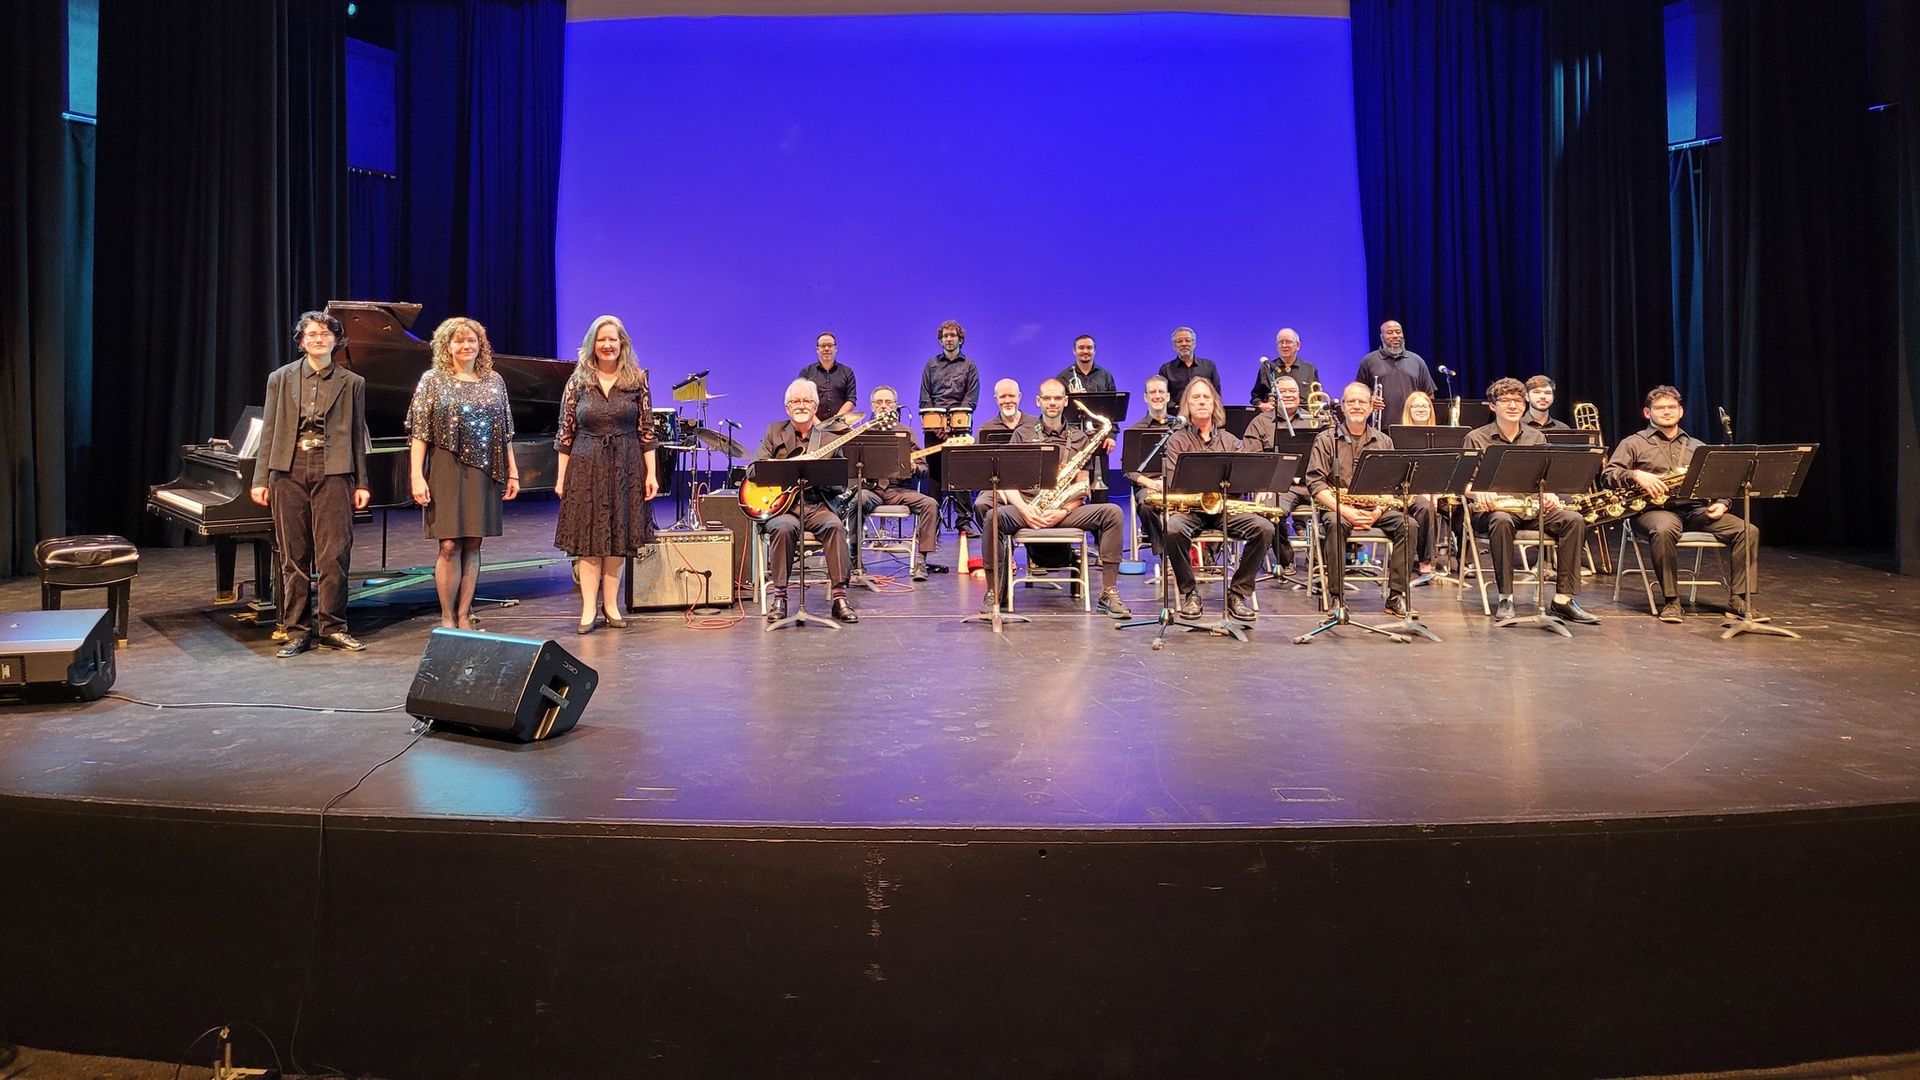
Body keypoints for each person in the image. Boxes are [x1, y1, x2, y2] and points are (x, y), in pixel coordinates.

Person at [250, 310, 372, 657]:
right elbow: (270, 429)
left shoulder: (352, 382)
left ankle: (333, 627)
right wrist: (262, 478)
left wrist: (361, 482)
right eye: (312, 334)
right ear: (301, 341)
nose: (319, 339)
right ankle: (297, 631)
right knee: (293, 556)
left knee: (334, 554)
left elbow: (357, 437)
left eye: (326, 334)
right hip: (288, 470)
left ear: (336, 340)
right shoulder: (281, 378)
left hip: (334, 469)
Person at [973, 378, 1132, 618]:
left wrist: (1064, 510)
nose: (1052, 403)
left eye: (1058, 398)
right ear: (1038, 401)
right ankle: (994, 593)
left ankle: (1108, 592)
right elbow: (1007, 481)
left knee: (1113, 513)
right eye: (1047, 398)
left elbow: (1082, 485)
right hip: (1029, 508)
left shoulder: (1079, 437)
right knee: (993, 516)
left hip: (1064, 510)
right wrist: (1024, 509)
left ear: (1066, 401)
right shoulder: (1022, 433)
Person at [1603, 385, 1761, 623]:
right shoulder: (1633, 443)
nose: (1667, 412)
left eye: (1672, 407)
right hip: (1652, 510)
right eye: (1660, 408)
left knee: (1747, 530)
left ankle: (1739, 599)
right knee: (1664, 529)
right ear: (1647, 413)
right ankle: (1671, 600)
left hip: (1694, 510)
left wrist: (1722, 503)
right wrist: (1636, 475)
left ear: (1681, 411)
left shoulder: (1697, 446)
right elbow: (1609, 475)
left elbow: (1720, 481)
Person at [407, 317, 520, 631]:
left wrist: (513, 472)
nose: (466, 345)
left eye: (471, 340)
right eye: (458, 341)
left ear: (480, 344)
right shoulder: (433, 379)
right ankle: (446, 616)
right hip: (445, 466)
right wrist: (417, 474)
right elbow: (419, 432)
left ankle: (463, 614)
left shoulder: (494, 380)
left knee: (473, 543)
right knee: (448, 545)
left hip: (485, 468)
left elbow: (505, 430)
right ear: (447, 345)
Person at [553, 315, 660, 635]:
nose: (608, 345)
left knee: (617, 538)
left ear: (622, 343)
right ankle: (588, 608)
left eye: (613, 339)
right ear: (593, 344)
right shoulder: (578, 381)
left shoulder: (637, 380)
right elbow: (565, 433)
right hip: (586, 463)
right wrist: (561, 478)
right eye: (602, 339)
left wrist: (650, 474)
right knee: (588, 540)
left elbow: (647, 431)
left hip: (626, 463)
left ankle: (611, 606)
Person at [1461, 378, 1598, 624]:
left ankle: (1563, 599)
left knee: (1574, 519)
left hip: (1530, 508)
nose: (1513, 405)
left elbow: (1546, 479)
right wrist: (1477, 492)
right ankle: (1506, 597)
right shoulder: (1476, 438)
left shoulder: (1536, 438)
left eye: (1518, 400)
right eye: (1506, 401)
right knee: (1501, 521)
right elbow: (1463, 483)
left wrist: (1550, 494)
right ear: (1493, 406)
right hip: (1494, 511)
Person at [1158, 378, 1276, 621]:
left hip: (1225, 509)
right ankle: (1190, 593)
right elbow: (1173, 482)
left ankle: (1238, 593)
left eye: (1206, 397)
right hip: (1190, 511)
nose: (1201, 401)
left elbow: (1244, 480)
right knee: (1172, 529)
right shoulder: (1177, 440)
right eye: (1195, 398)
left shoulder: (1231, 441)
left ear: (1215, 404)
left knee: (1264, 528)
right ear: (1187, 405)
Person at [1304, 382, 1417, 618]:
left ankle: (1396, 596)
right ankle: (1337, 597)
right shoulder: (1326, 440)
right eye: (1351, 401)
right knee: (1335, 525)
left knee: (1409, 524)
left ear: (1371, 408)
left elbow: (1392, 486)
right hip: (1339, 507)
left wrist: (1377, 512)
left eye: (1362, 402)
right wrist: (1345, 511)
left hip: (1375, 507)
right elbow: (1316, 484)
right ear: (1342, 407)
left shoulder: (1383, 441)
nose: (1357, 406)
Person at [755, 379, 858, 624]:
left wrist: (821, 475)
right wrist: (781, 469)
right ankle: (779, 597)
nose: (801, 405)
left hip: (817, 504)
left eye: (806, 401)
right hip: (783, 507)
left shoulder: (829, 438)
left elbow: (840, 483)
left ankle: (839, 598)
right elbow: (753, 470)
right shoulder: (773, 431)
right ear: (787, 408)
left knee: (835, 527)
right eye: (795, 401)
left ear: (815, 406)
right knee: (783, 528)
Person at [846, 385, 942, 582]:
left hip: (897, 490)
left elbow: (924, 469)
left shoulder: (905, 432)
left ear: (895, 406)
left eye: (888, 402)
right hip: (870, 489)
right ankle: (854, 559)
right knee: (857, 501)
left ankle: (921, 560)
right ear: (872, 406)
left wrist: (914, 467)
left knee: (930, 504)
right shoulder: (861, 432)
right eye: (879, 402)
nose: (883, 406)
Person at [1240, 380, 1313, 580]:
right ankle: (1285, 559)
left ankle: (1321, 560)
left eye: (1293, 391)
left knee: (1339, 508)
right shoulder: (1260, 422)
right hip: (1280, 487)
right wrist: (1265, 485)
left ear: (1300, 395)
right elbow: (1251, 460)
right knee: (1269, 507)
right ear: (1273, 397)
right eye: (1283, 391)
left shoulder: (1313, 420)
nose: (1288, 395)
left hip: (1313, 484)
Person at [918, 319, 981, 534]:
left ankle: (964, 522)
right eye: (945, 336)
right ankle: (932, 523)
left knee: (961, 474)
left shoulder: (970, 366)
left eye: (953, 335)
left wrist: (952, 425)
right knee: (934, 475)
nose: (949, 339)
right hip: (934, 429)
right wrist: (937, 424)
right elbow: (925, 397)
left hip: (960, 428)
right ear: (940, 340)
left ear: (960, 339)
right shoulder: (930, 365)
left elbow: (970, 399)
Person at [1056, 334, 1117, 502]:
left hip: (1099, 438)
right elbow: (1056, 408)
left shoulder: (1105, 376)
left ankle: (1100, 525)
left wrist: (1112, 436)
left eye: (1089, 348)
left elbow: (1114, 409)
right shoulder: (1063, 377)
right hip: (1072, 440)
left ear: (1095, 351)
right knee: (1071, 490)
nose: (1085, 351)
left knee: (1100, 489)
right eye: (1081, 348)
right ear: (1074, 351)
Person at [1123, 375, 1178, 556]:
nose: (1157, 396)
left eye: (1161, 391)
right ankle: (1166, 554)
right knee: (1146, 505)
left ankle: (1203, 553)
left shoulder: (1181, 428)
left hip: (1176, 484)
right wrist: (1151, 484)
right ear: (1145, 397)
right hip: (1149, 484)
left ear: (1168, 396)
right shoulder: (1135, 430)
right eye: (1152, 392)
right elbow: (1129, 469)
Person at [1392, 390, 1443, 579]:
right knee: (1424, 506)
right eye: (1416, 406)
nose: (1421, 409)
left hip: (1436, 490)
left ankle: (1466, 561)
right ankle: (1425, 560)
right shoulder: (1396, 437)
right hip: (1406, 490)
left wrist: (1437, 493)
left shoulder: (1442, 437)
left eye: (1425, 406)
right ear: (1408, 410)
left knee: (1464, 509)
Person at [1355, 319, 1437, 432]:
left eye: (1398, 332)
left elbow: (1429, 396)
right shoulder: (1368, 361)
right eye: (1390, 332)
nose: (1395, 335)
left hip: (1412, 427)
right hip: (1381, 429)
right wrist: (1369, 400)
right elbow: (1357, 394)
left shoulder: (1417, 361)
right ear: (1381, 337)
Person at [1252, 327, 1320, 412]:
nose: (1284, 345)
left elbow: (1317, 398)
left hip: (1304, 420)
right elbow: (1255, 397)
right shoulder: (1267, 368)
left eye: (1288, 342)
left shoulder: (1310, 369)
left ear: (1298, 345)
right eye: (1280, 342)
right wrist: (1261, 405)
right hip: (1274, 419)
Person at [800, 331, 857, 428]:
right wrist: (818, 424)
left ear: (835, 349)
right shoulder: (806, 373)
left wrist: (835, 422)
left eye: (830, 345)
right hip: (812, 427)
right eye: (823, 345)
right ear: (817, 349)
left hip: (840, 427)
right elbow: (802, 401)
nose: (826, 348)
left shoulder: (847, 372)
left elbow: (851, 400)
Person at [1158, 326, 1223, 408]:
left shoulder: (1209, 366)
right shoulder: (1166, 369)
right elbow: (1163, 395)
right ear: (1174, 346)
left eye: (1187, 340)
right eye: (1179, 341)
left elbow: (1216, 394)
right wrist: (1178, 408)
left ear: (1194, 343)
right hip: (1177, 417)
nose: (1184, 344)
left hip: (1204, 413)